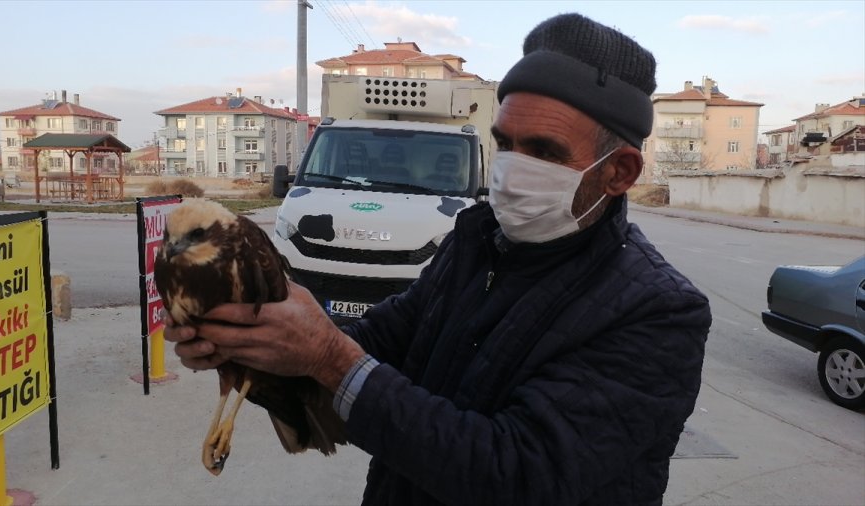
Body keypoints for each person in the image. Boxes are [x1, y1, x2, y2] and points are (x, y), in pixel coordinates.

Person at [165, 12, 711, 506]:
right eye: (506, 143)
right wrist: (257, 347)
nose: (513, 169)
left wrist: (327, 355)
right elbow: (378, 346)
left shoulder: (659, 312)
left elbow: (517, 475)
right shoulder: (475, 244)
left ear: (620, 173)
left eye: (544, 151)